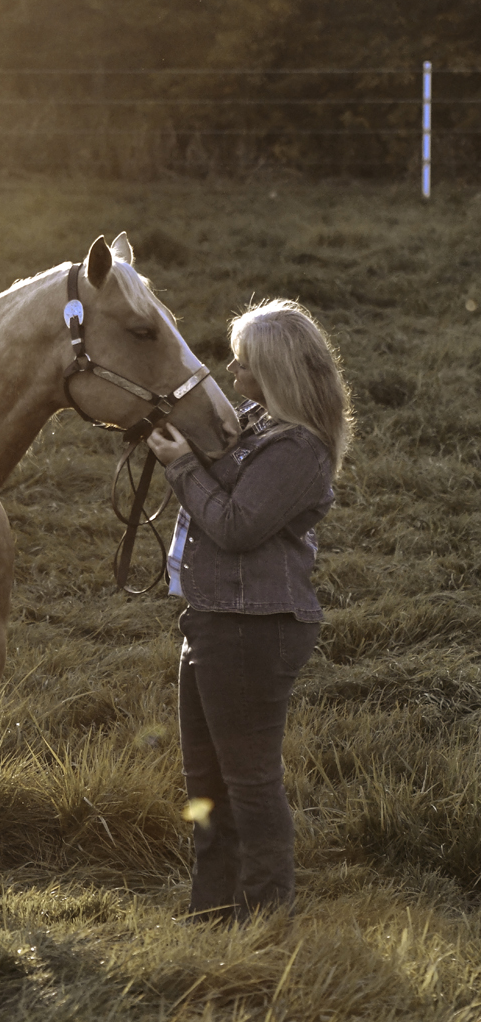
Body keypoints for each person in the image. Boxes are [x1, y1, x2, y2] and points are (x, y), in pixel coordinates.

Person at [147, 299, 353, 922]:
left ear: (275, 371)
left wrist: (181, 465)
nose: (231, 374)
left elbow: (236, 526)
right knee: (205, 781)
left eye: (242, 365)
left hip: (254, 627)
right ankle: (212, 912)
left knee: (250, 782)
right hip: (215, 618)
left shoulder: (299, 450)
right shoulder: (258, 424)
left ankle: (265, 918)